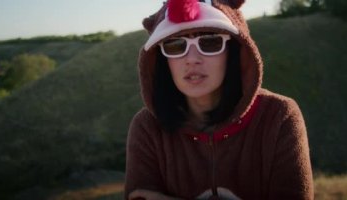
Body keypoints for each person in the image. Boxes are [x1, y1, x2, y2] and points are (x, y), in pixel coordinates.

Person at [125, 0, 314, 199]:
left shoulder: (278, 116)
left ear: (234, 50)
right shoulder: (147, 127)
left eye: (210, 42)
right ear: (163, 61)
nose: (192, 58)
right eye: (175, 45)